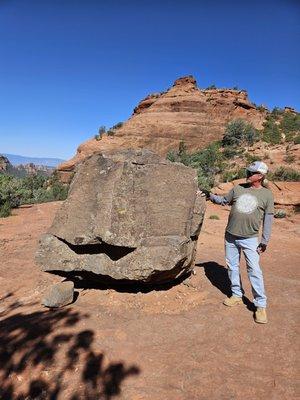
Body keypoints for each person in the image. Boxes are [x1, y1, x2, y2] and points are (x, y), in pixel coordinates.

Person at [206, 161, 274, 324]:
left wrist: (264, 241)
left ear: (261, 176)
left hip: (250, 239)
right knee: (232, 266)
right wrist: (209, 195)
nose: (248, 175)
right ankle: (236, 294)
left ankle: (260, 305)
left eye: (251, 173)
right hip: (230, 236)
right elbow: (223, 201)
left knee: (254, 270)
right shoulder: (238, 189)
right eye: (248, 172)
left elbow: (268, 219)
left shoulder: (267, 195)